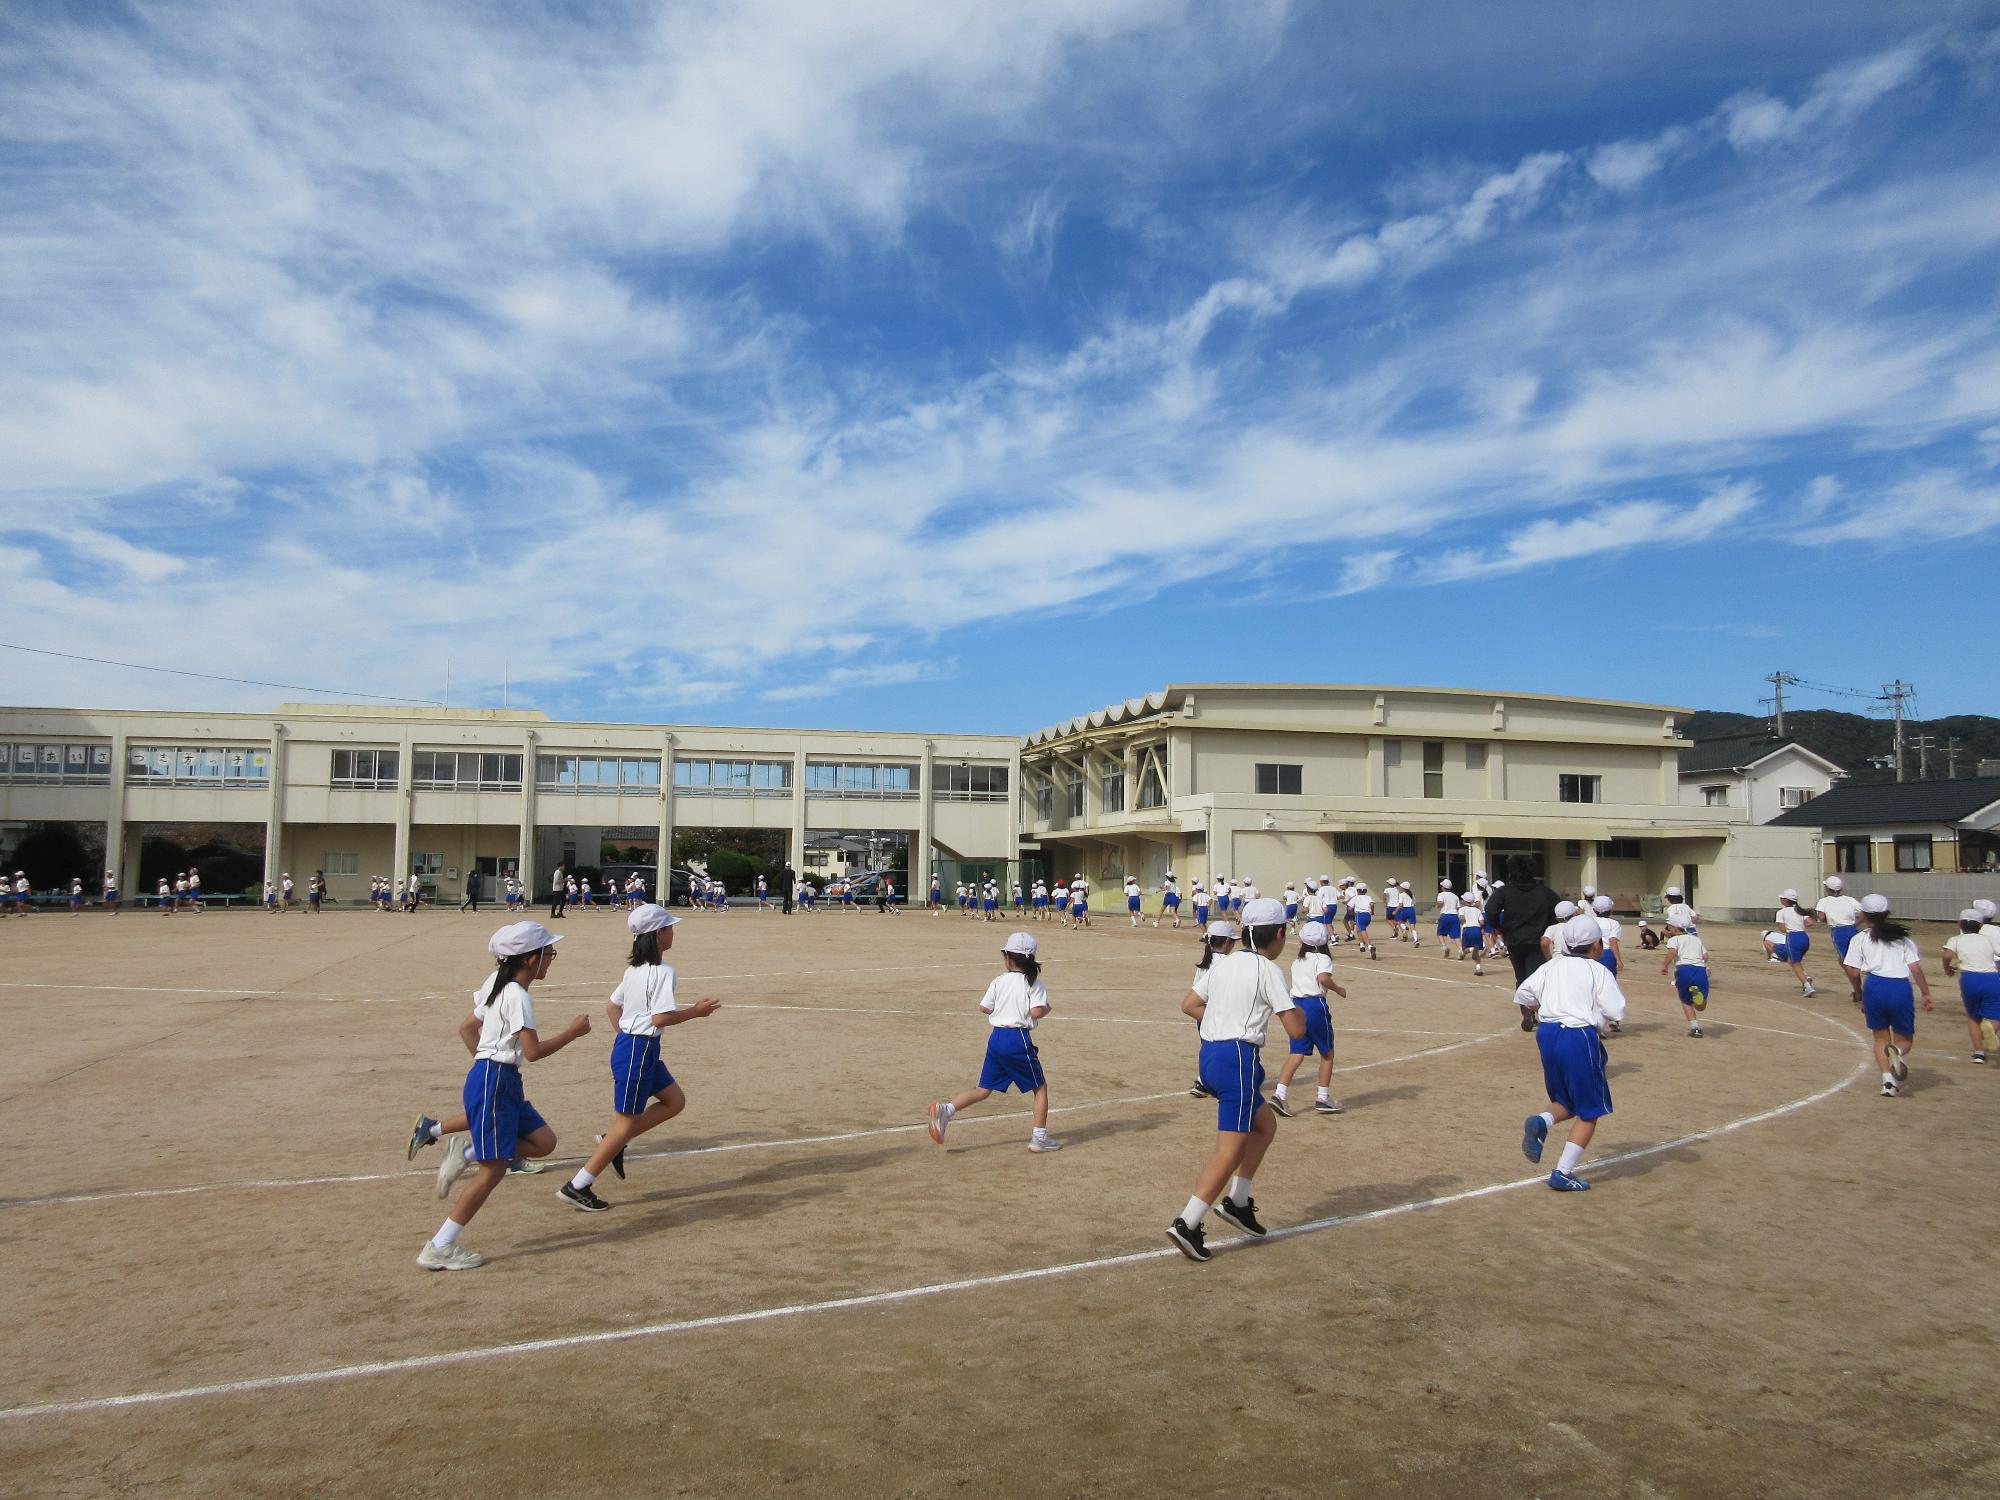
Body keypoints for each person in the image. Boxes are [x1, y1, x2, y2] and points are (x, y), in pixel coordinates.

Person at [415, 921, 591, 1269]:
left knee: (543, 1141)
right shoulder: (517, 995)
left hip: (499, 1078)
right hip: (497, 1079)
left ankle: (470, 1150)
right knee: (492, 1172)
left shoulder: (499, 986)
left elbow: (467, 1027)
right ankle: (439, 1246)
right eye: (548, 953)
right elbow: (534, 1051)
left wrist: (485, 1063)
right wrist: (572, 1033)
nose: (551, 959)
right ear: (529, 959)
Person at [1166, 897, 1309, 1262]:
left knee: (1265, 1126)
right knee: (1230, 1150)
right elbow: (1295, 1028)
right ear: (1279, 934)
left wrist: (1220, 1020)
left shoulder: (1223, 963)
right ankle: (1188, 1222)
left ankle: (1238, 1201)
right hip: (1238, 1060)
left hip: (1210, 1057)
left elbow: (1189, 1005)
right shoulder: (1268, 970)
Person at [559, 903, 723, 1210]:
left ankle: (617, 1138)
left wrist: (625, 1034)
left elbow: (612, 1006)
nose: (673, 933)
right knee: (626, 1121)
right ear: (659, 933)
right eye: (670, 928)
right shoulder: (663, 972)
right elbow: (661, 1018)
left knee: (675, 1101)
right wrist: (695, 1012)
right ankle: (578, 1184)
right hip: (638, 1050)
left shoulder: (633, 970)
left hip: (636, 1048)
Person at [1515, 912, 1628, 1190]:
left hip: (1548, 1034)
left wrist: (1543, 1005)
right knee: (1591, 1111)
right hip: (1578, 1036)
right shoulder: (1597, 970)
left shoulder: (1552, 966)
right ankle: (1563, 1172)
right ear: (1597, 945)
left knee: (1565, 1098)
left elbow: (1524, 994)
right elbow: (1617, 1010)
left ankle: (1541, 1120)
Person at [928, 932, 1062, 1153]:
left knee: (984, 1089)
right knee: (1040, 1088)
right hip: (1017, 1039)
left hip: (997, 1038)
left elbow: (985, 1008)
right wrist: (1046, 1007)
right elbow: (1036, 1012)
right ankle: (1039, 1138)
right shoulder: (1033, 983)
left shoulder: (999, 980)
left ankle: (947, 1109)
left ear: (1008, 958)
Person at [1842, 894, 1934, 1098]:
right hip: (1899, 987)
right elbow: (1915, 969)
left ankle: (1888, 1082)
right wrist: (1926, 993)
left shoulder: (1859, 939)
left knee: (1879, 1037)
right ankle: (1898, 1052)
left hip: (1874, 986)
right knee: (1904, 1039)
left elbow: (1852, 971)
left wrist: (1859, 992)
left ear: (1864, 915)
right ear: (1887, 913)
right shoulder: (1902, 938)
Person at [1271, 920, 1347, 1117]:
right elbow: (1323, 978)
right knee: (1327, 1053)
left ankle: (1280, 1094)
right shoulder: (1322, 958)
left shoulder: (1298, 961)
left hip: (1296, 1005)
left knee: (1296, 1053)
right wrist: (1338, 989)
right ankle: (1323, 1097)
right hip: (1315, 1006)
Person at [1488, 855, 1561, 985]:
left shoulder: (1504, 892)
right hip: (1537, 940)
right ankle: (1535, 1002)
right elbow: (1559, 910)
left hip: (1514, 939)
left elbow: (1491, 910)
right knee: (1536, 976)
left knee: (1521, 977)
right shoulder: (1545, 892)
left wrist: (1498, 927)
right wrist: (1549, 926)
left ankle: (1525, 1002)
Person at [1938, 911, 1999, 1065]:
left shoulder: (1956, 939)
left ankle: (1978, 1053)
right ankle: (1990, 1026)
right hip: (1990, 978)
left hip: (1968, 979)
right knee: (1996, 1014)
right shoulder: (1987, 940)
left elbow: (1947, 955)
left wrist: (1947, 968)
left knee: (1973, 1016)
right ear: (1980, 925)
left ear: (1960, 924)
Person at [1658, 913, 1710, 1037]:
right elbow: (1706, 957)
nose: (1668, 929)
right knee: (1701, 1006)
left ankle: (1695, 1028)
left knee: (1686, 1001)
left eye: (1670, 927)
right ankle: (1699, 997)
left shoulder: (1674, 939)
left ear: (1676, 928)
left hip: (1683, 970)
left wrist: (1664, 966)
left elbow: (1672, 952)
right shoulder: (1696, 939)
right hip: (1700, 970)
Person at [1812, 876, 1863, 1002]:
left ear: (1828, 889)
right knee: (1850, 959)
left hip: (1838, 930)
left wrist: (1829, 917)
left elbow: (1821, 917)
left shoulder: (1824, 901)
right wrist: (1854, 924)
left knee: (1846, 962)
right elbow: (1863, 912)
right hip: (1852, 930)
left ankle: (1857, 990)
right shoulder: (1849, 900)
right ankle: (1856, 988)